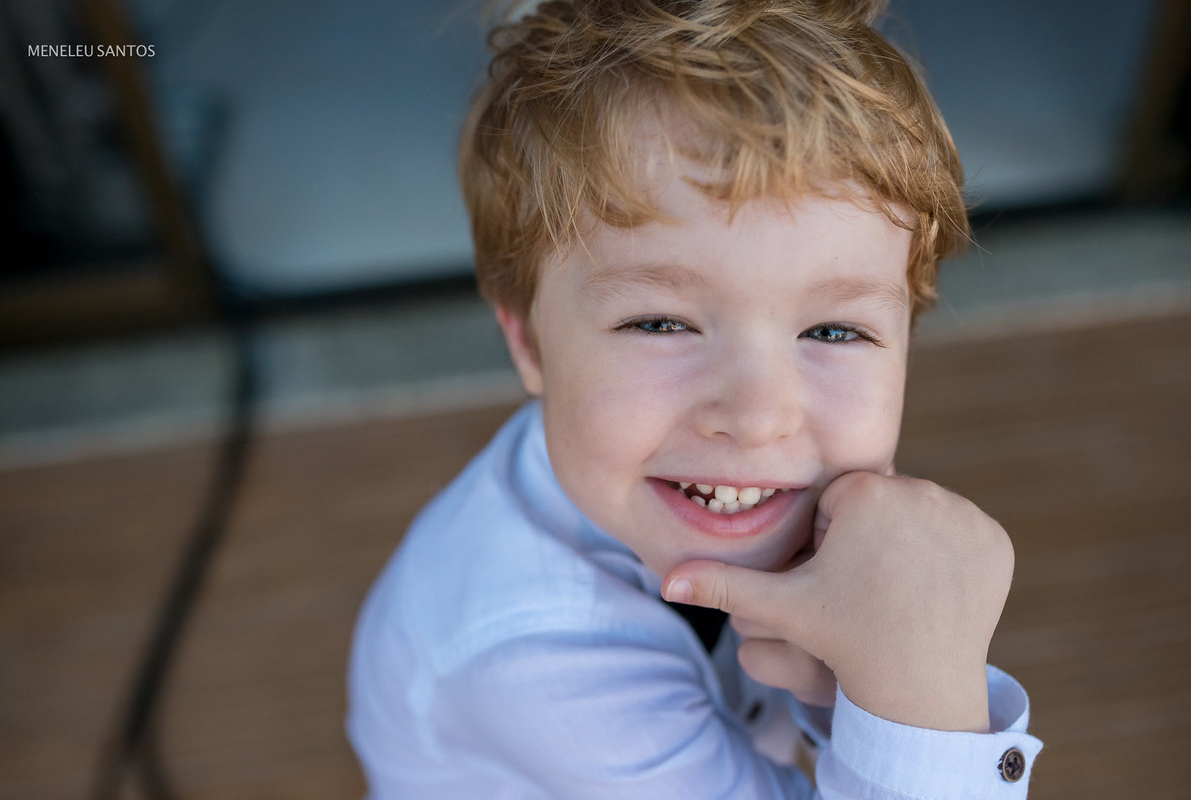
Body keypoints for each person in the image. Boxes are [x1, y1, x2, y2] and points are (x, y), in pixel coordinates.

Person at [347, 0, 1043, 796]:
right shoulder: (534, 655)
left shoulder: (665, 480)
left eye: (833, 332)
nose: (757, 415)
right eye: (659, 322)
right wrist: (922, 692)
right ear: (530, 343)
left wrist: (844, 682)